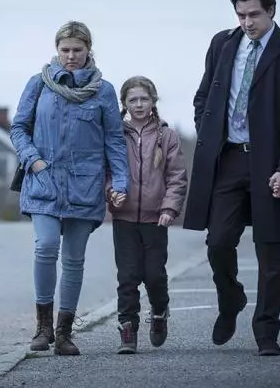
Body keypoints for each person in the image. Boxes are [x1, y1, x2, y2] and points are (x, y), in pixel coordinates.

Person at [182, 0, 280, 356]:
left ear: (271, 10)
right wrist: (208, 133)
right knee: (218, 242)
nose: (247, 22)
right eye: (240, 15)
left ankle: (266, 332)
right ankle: (231, 299)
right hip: (228, 159)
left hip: (271, 162)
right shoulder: (222, 43)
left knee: (271, 252)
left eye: (254, 14)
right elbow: (203, 96)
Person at [10, 20, 129, 356]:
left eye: (78, 49)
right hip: (44, 181)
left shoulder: (104, 91)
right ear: (57, 50)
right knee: (46, 246)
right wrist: (33, 160)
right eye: (65, 50)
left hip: (84, 186)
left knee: (74, 260)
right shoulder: (39, 84)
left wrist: (120, 182)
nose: (71, 56)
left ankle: (64, 333)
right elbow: (18, 128)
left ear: (89, 50)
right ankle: (42, 327)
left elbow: (114, 140)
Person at [107, 76, 188, 354]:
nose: (139, 104)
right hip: (124, 218)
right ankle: (127, 329)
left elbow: (176, 176)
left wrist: (169, 208)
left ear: (153, 101)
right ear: (124, 103)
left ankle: (160, 311)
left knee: (154, 275)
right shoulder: (115, 134)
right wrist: (111, 193)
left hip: (156, 219)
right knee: (128, 276)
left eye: (144, 99)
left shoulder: (167, 136)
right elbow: (107, 171)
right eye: (133, 100)